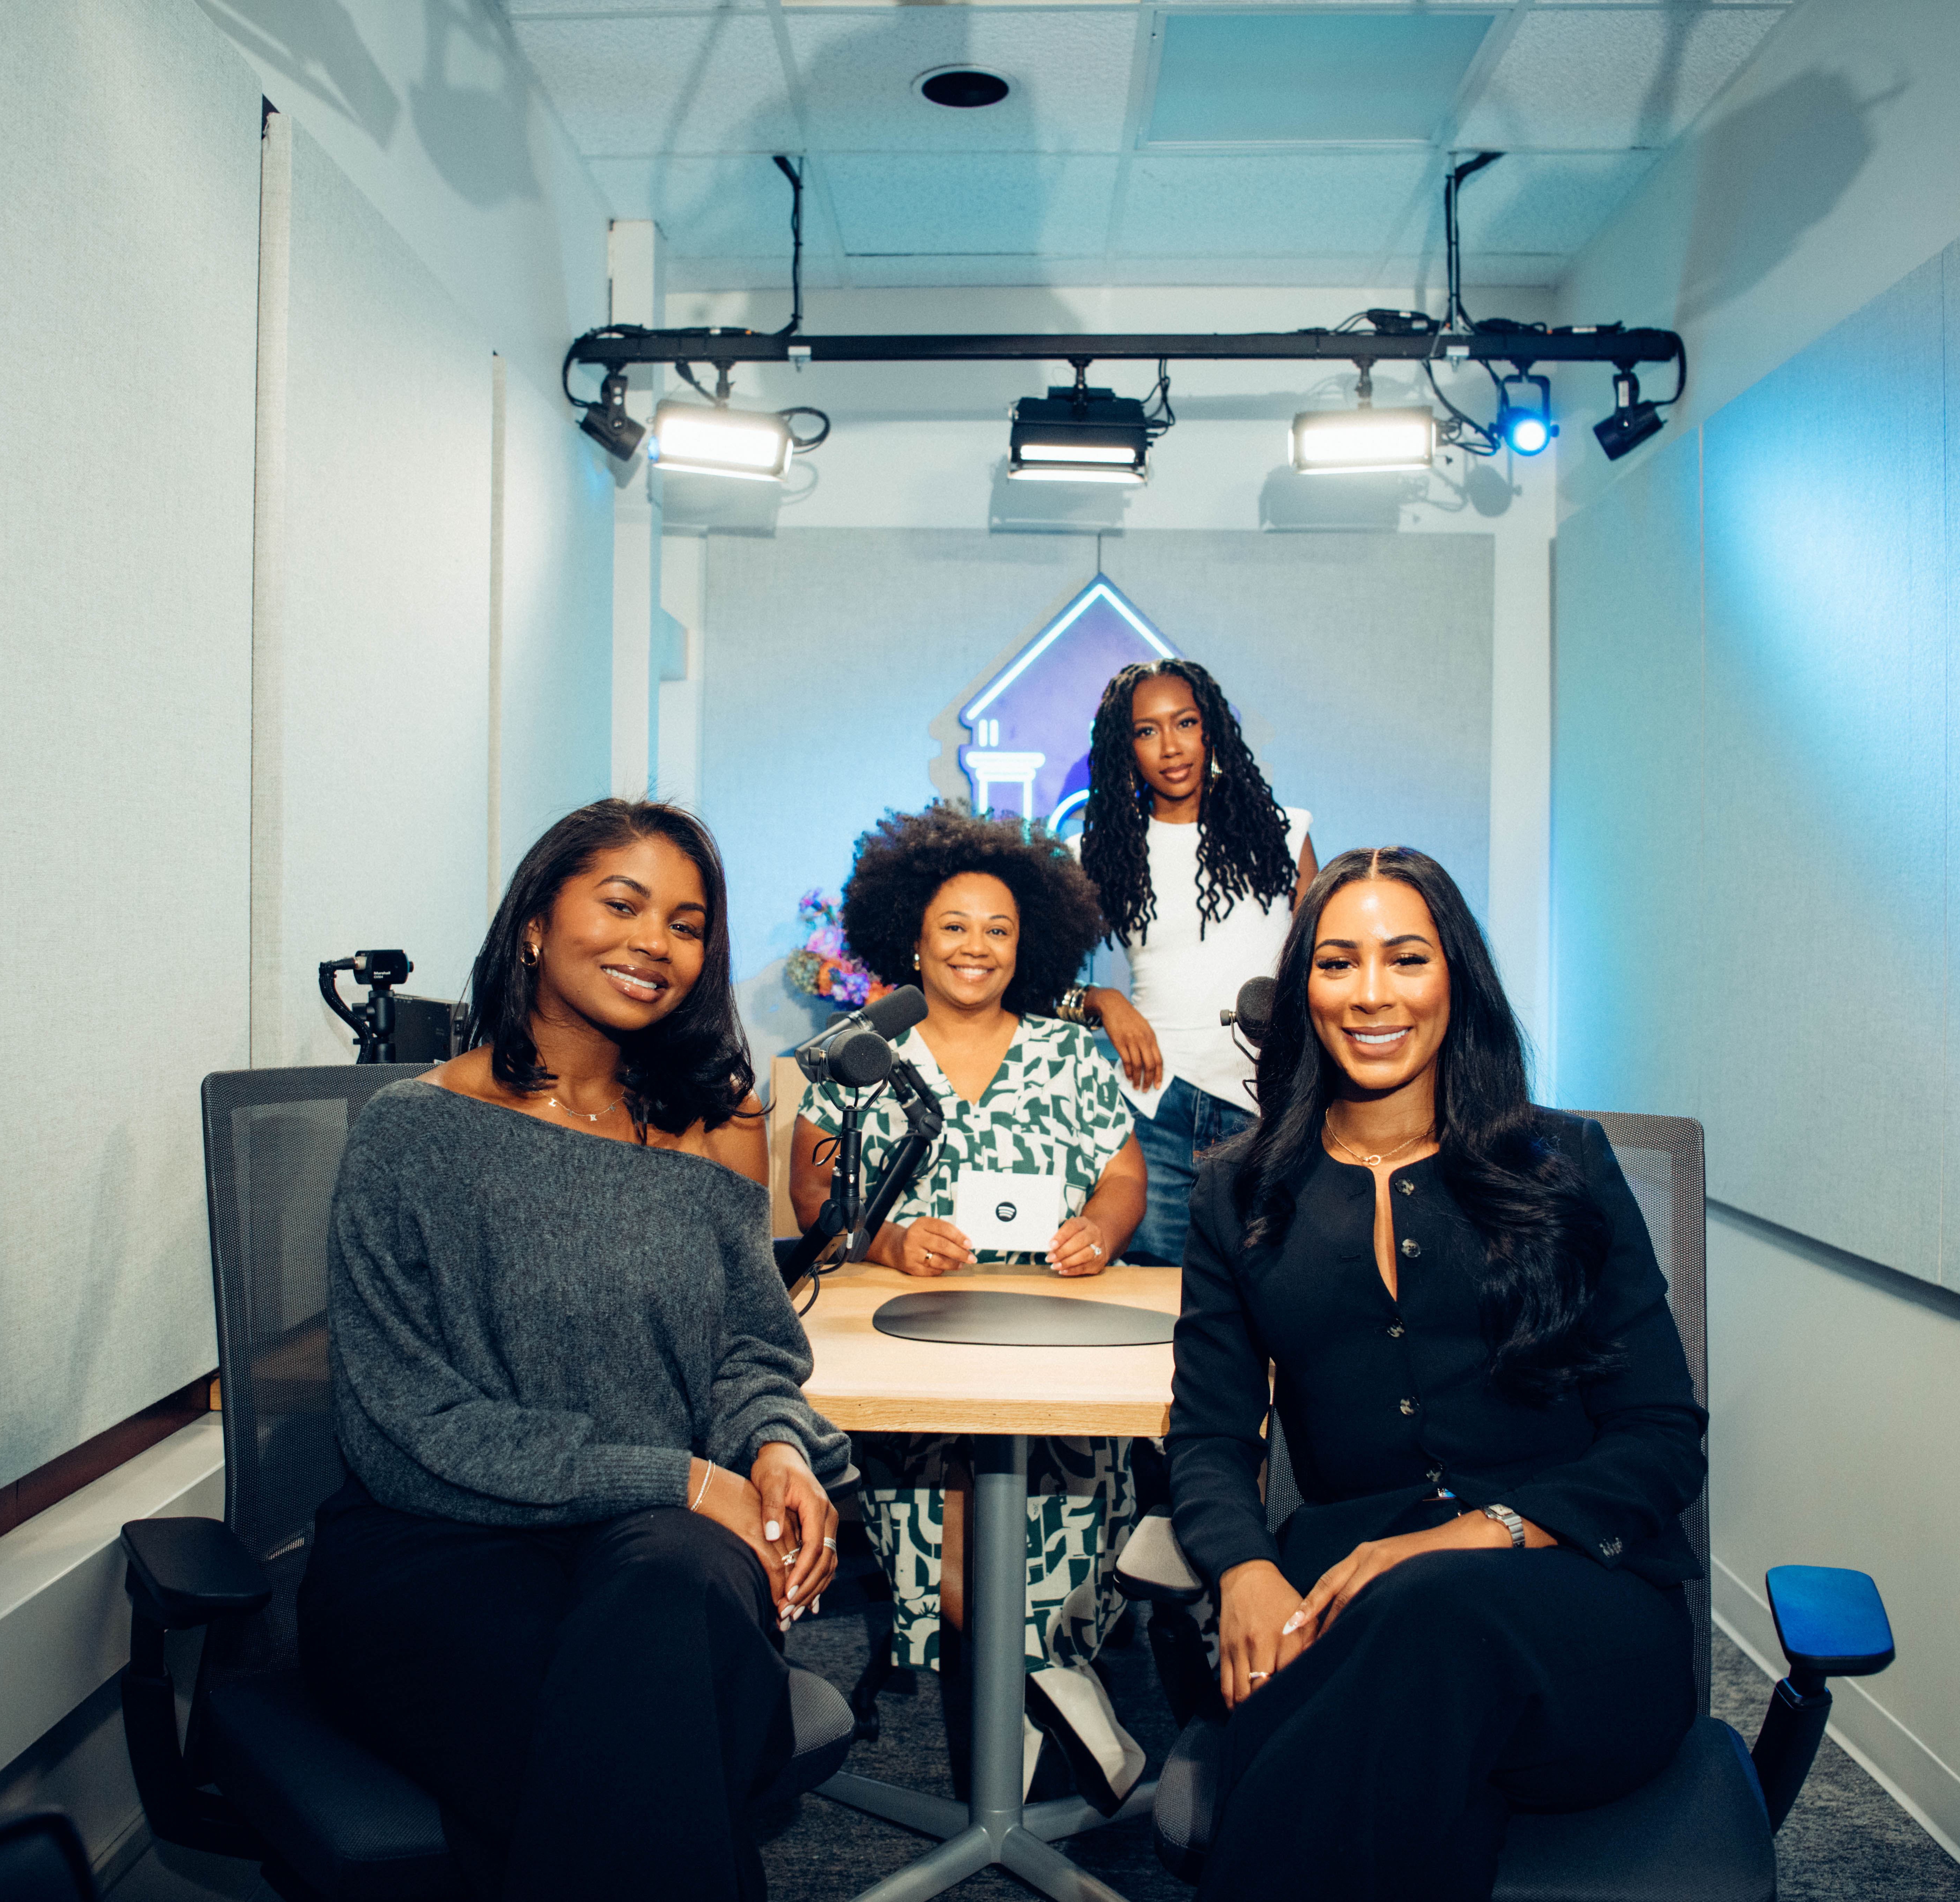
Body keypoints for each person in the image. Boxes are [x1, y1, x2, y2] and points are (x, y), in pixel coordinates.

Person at [299, 799, 849, 1902]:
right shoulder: (412, 1132)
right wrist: (687, 1478)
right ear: (537, 924)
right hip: (442, 1544)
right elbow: (409, 1428)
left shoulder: (711, 1122)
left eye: (688, 924)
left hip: (653, 1540)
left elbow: (747, 1346)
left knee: (669, 1617)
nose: (657, 942)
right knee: (650, 1713)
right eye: (623, 902)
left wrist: (779, 1449)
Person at [1168, 846, 1707, 1901]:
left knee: (1425, 1618)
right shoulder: (1239, 1192)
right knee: (1402, 1722)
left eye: (1405, 958)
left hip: (1578, 1624)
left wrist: (1475, 1534)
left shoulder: (1567, 1166)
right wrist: (1242, 1569)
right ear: (1304, 991)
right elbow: (1209, 1437)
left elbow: (1658, 1433)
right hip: (1347, 1612)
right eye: (1337, 963)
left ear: (1454, 978)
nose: (1371, 994)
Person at [788, 804, 1150, 1809]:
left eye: (997, 929)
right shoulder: (865, 1053)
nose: (976, 947)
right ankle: (1047, 1690)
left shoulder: (1072, 1055)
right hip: (910, 1335)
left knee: (1066, 1491)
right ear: (913, 933)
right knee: (938, 1520)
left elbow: (1123, 1177)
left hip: (1058, 1330)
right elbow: (813, 1186)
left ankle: (1032, 1694)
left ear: (1026, 942)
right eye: (954, 925)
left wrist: (1102, 1232)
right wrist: (891, 1241)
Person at [1068, 658, 1318, 1266]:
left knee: (1271, 1286)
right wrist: (1104, 1001)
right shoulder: (1096, 850)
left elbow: (1323, 963)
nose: (1170, 746)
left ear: (1213, 731)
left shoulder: (1286, 835)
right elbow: (1037, 980)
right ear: (1124, 747)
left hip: (1269, 1097)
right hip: (1156, 1102)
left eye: (1185, 723)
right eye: (1146, 731)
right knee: (1158, 1298)